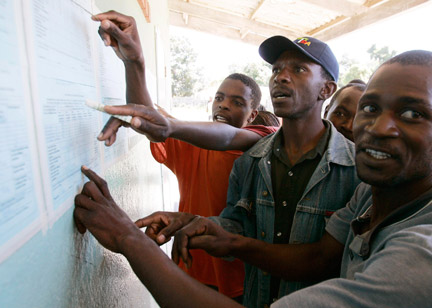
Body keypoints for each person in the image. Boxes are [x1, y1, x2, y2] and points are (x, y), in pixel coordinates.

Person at [74, 49, 432, 308]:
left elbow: (227, 136)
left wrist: (127, 238)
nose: (379, 127)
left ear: (326, 90)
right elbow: (318, 256)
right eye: (370, 108)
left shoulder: (366, 181)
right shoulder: (367, 191)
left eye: (414, 113)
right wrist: (209, 228)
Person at [138, 35, 361, 307]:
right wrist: (196, 222)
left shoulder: (356, 170)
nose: (281, 77)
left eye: (298, 69)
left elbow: (332, 260)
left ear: (326, 89)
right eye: (276, 70)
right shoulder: (250, 162)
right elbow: (238, 224)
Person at [91, 11, 278, 299]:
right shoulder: (192, 142)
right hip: (190, 266)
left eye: (237, 102)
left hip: (241, 277)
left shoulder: (261, 142)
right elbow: (151, 117)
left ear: (253, 114)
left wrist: (169, 125)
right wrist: (134, 62)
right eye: (219, 97)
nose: (224, 105)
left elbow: (225, 136)